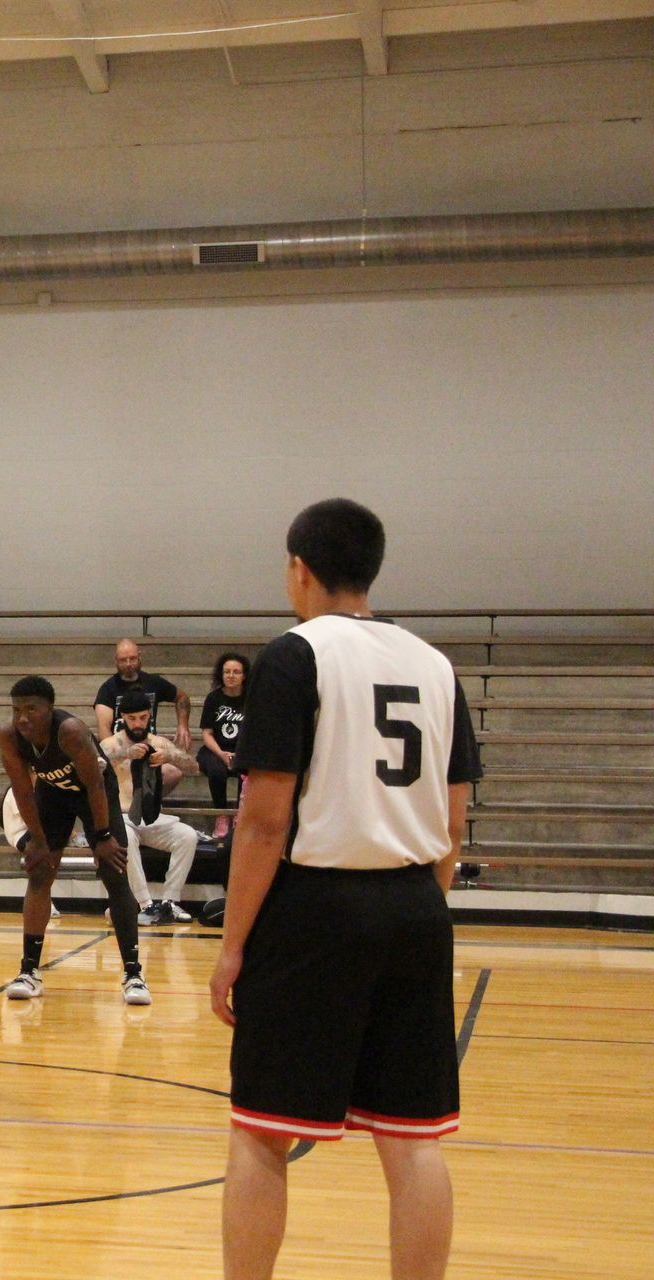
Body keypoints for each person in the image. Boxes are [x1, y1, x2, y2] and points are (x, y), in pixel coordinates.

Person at [210, 498, 481, 1280]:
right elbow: (454, 823)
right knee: (412, 1139)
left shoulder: (295, 656)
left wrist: (232, 949)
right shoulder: (436, 664)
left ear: (301, 569)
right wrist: (411, 902)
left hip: (316, 909)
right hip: (416, 906)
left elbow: (263, 823)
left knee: (261, 1130)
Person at [0, 676, 151, 1006]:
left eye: (31, 709)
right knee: (39, 874)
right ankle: (29, 970)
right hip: (53, 795)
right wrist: (38, 841)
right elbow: (24, 790)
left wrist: (103, 837)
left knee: (114, 871)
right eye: (16, 710)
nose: (22, 717)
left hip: (94, 793)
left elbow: (95, 787)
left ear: (50, 709)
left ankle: (134, 973)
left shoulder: (69, 731)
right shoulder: (10, 736)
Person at [101, 687, 201, 925]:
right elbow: (92, 769)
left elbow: (193, 766)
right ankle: (144, 903)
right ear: (122, 718)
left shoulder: (158, 742)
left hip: (152, 817)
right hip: (123, 816)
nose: (138, 723)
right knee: (125, 834)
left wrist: (170, 758)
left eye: (143, 718)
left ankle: (170, 902)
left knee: (187, 836)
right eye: (132, 718)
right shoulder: (110, 745)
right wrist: (125, 755)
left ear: (149, 716)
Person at [94, 640, 192, 795]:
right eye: (123, 660)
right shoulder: (107, 690)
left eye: (132, 658)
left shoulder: (153, 682)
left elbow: (182, 697)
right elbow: (104, 730)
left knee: (174, 771)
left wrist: (182, 725)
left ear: (139, 657)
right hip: (122, 748)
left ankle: (150, 802)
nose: (128, 664)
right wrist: (121, 755)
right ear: (115, 661)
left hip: (149, 747)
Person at [199, 651, 251, 837]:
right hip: (215, 749)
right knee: (216, 770)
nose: (231, 676)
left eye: (236, 672)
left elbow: (255, 731)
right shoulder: (214, 699)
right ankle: (221, 814)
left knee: (245, 768)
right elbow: (206, 733)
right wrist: (221, 753)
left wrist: (240, 752)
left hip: (242, 749)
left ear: (244, 675)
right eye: (227, 671)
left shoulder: (251, 699)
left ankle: (240, 815)